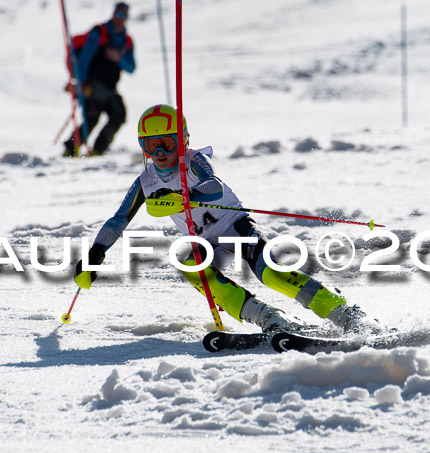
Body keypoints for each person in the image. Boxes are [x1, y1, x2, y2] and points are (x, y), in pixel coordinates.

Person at [73, 104, 385, 335]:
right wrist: (96, 253)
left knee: (271, 274)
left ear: (181, 140)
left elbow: (214, 186)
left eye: (166, 143)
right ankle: (269, 319)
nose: (159, 152)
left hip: (235, 227)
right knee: (190, 266)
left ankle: (346, 314)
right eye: (149, 145)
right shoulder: (146, 182)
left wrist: (187, 196)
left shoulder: (193, 161)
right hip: (205, 242)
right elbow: (118, 220)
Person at [63, 2, 136, 157]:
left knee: (118, 116)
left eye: (123, 15)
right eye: (118, 14)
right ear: (113, 14)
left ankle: (98, 151)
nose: (120, 18)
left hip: (110, 88)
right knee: (91, 120)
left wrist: (119, 58)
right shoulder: (99, 32)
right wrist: (80, 83)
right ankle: (70, 150)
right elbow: (85, 58)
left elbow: (131, 68)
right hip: (93, 86)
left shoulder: (127, 41)